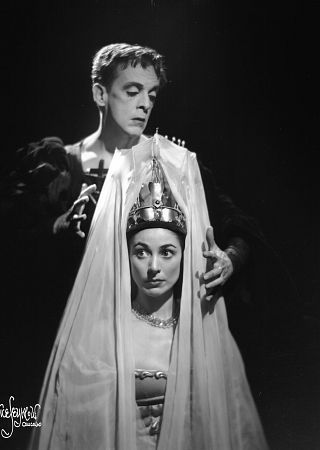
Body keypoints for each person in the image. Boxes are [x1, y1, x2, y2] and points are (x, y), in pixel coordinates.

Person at [29, 135, 268, 449]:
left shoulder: (210, 338)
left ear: (186, 255)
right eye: (141, 252)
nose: (154, 267)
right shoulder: (101, 337)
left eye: (167, 252)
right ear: (125, 254)